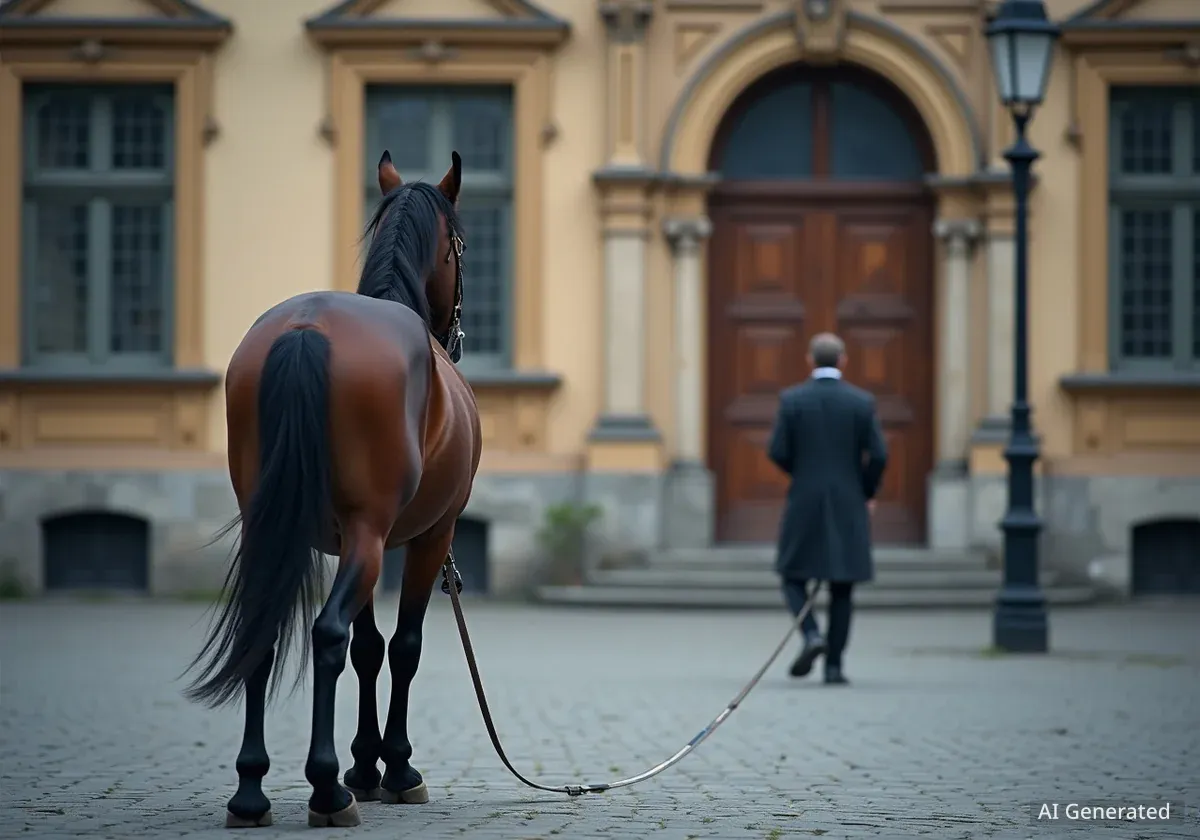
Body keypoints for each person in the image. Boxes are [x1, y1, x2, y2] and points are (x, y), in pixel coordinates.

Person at [766, 332, 888, 685]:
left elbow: (777, 450)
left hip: (804, 497)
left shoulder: (792, 400)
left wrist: (801, 473)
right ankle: (834, 667)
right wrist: (865, 490)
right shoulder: (861, 402)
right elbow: (879, 454)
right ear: (843, 361)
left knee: (791, 575)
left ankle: (810, 634)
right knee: (843, 586)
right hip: (849, 500)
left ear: (810, 360)